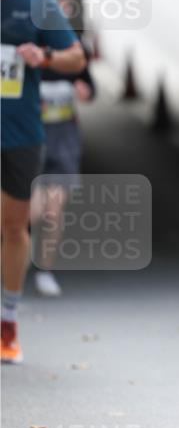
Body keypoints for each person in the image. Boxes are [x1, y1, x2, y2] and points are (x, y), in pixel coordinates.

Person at [1, 0, 85, 363]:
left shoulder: (37, 1)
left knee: (14, 226)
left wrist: (45, 55)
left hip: (21, 134)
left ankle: (8, 320)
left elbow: (76, 58)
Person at [31, 35, 96, 297]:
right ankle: (12, 265)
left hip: (63, 143)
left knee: (53, 212)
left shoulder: (73, 52)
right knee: (30, 213)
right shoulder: (25, 48)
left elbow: (90, 88)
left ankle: (44, 271)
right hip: (28, 143)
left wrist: (84, 91)